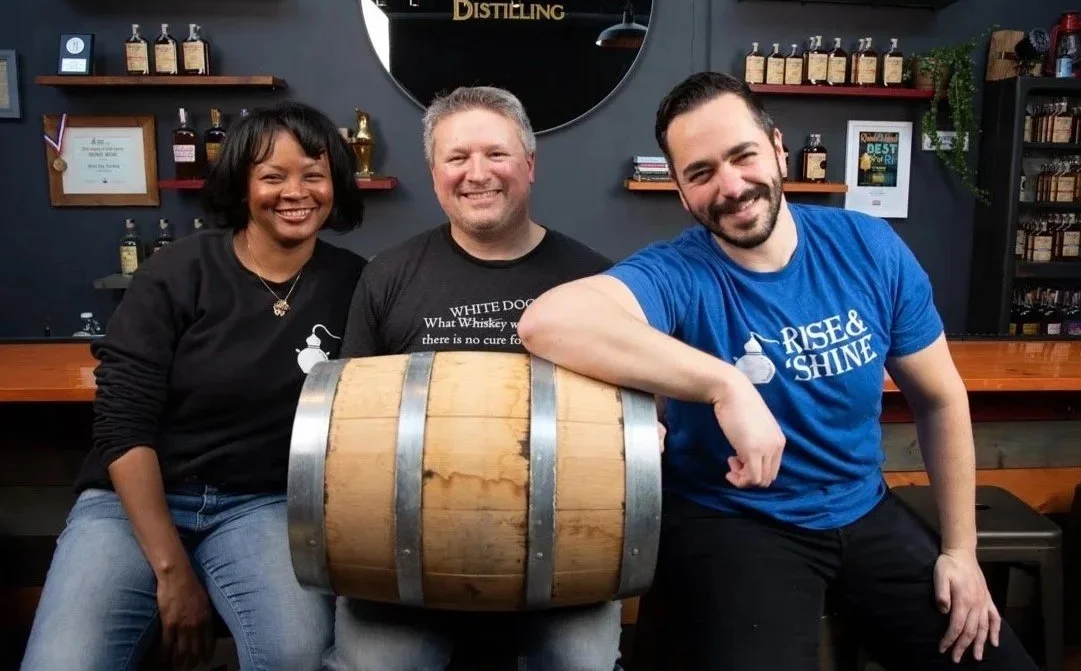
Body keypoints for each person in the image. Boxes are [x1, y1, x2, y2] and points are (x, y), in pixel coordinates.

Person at [516, 71, 1040, 670]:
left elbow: (941, 400)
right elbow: (547, 322)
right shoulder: (678, 273)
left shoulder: (869, 247)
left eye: (743, 156)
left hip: (864, 508)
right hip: (735, 522)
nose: (732, 186)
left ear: (778, 148)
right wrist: (726, 383)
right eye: (702, 173)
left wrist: (961, 551)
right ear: (683, 194)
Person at [20, 102, 367, 671]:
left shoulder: (356, 282)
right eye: (272, 176)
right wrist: (172, 571)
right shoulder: (178, 270)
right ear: (241, 182)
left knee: (297, 655)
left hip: (265, 505)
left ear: (335, 184)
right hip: (131, 504)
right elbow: (120, 424)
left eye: (313, 174)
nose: (295, 192)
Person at [323, 85, 622, 671]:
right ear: (435, 174)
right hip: (410, 550)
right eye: (457, 158)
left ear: (530, 166)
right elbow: (349, 437)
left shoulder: (595, 281)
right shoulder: (388, 276)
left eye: (497, 154)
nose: (476, 173)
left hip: (561, 550)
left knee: (581, 664)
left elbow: (630, 421)